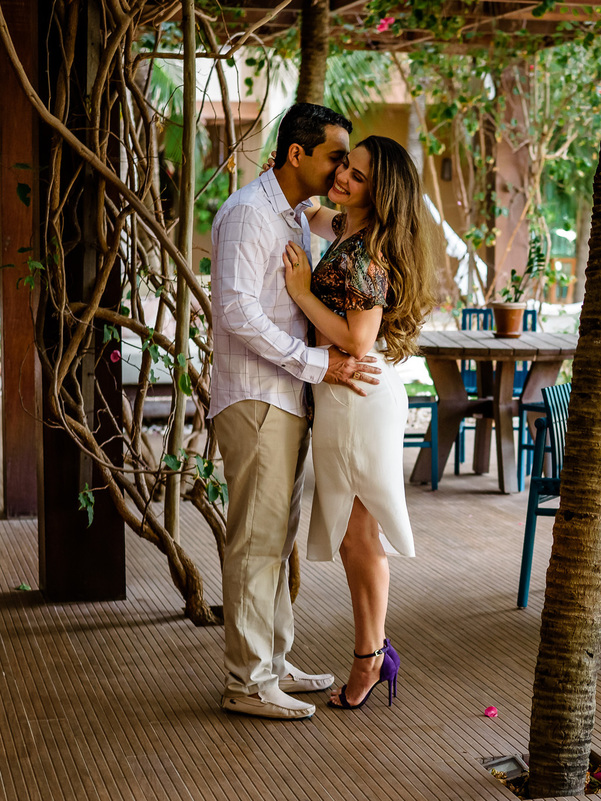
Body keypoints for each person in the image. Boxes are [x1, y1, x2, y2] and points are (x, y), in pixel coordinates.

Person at [209, 103, 383, 721]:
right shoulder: (250, 214)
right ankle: (249, 682)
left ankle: (273, 664)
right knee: (256, 542)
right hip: (258, 395)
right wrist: (319, 367)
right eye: (337, 155)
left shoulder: (290, 217)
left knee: (274, 538)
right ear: (297, 155)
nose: (342, 168)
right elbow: (235, 311)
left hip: (283, 397)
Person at [280, 134, 437, 709]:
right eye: (346, 164)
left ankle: (370, 657)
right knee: (355, 538)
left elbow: (357, 338)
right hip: (350, 398)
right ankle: (374, 652)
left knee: (360, 538)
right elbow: (308, 208)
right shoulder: (346, 228)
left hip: (357, 398)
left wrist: (300, 290)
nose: (344, 176)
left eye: (360, 175)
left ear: (382, 194)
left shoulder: (366, 252)